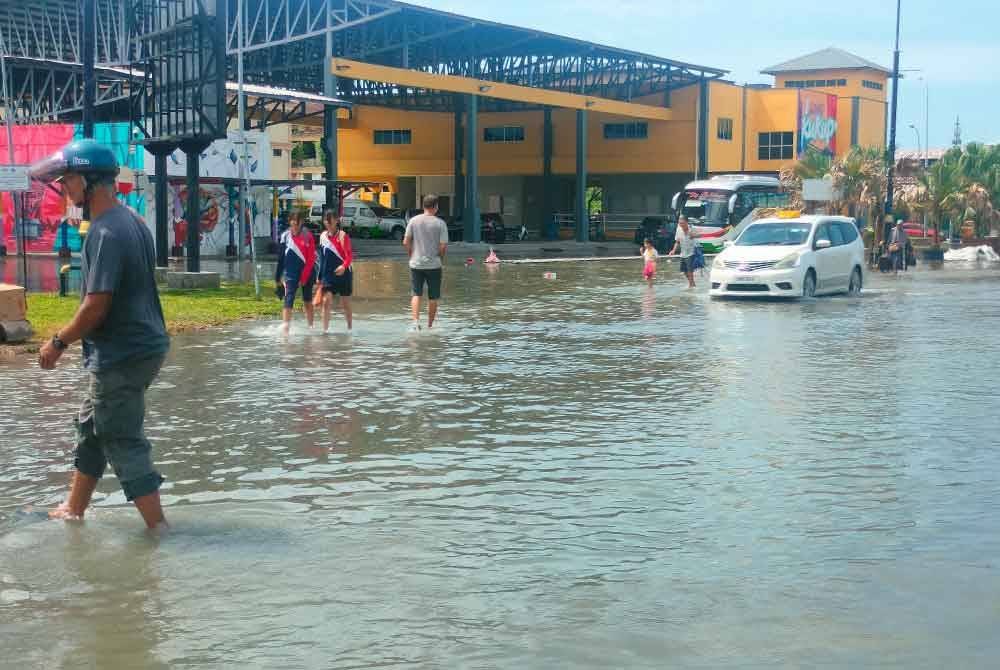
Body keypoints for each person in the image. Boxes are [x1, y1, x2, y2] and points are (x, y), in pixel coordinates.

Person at [31, 139, 170, 530]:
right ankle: (74, 508)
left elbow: (95, 306)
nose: (65, 188)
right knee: (93, 427)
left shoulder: (105, 233)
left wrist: (57, 343)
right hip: (142, 346)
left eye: (69, 179)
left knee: (121, 437)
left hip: (122, 354)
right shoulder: (132, 222)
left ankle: (159, 532)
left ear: (89, 182)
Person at [403, 194, 449, 330]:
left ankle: (415, 322)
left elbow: (405, 242)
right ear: (435, 207)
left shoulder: (413, 221)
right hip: (434, 264)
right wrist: (440, 258)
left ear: (423, 206)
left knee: (416, 293)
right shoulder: (440, 223)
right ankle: (429, 326)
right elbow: (442, 246)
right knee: (433, 296)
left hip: (416, 264)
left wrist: (411, 255)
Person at [275, 210, 317, 334]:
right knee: (289, 299)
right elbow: (281, 258)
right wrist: (277, 278)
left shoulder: (308, 236)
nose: (294, 227)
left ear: (301, 223)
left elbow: (311, 259)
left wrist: (303, 278)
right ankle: (286, 330)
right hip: (290, 273)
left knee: (307, 300)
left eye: (297, 224)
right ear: (289, 222)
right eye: (292, 223)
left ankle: (311, 327)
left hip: (307, 272)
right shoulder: (285, 236)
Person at [314, 210, 354, 333]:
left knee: (345, 304)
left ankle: (349, 329)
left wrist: (343, 266)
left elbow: (349, 256)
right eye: (326, 220)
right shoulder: (322, 236)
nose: (328, 223)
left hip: (344, 275)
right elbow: (321, 258)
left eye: (330, 220)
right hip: (328, 275)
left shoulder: (342, 236)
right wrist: (319, 276)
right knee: (326, 301)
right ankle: (325, 330)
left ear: (337, 220)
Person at [670, 215, 699, 289]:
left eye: (682, 223)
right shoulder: (678, 229)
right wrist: (673, 250)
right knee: (684, 271)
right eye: (680, 223)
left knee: (690, 270)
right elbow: (677, 241)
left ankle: (691, 285)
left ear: (686, 222)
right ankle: (692, 283)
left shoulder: (691, 229)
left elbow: (699, 235)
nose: (681, 224)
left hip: (691, 252)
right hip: (683, 253)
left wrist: (694, 236)